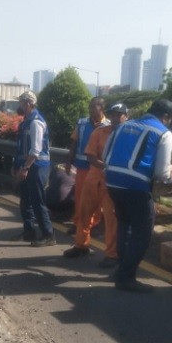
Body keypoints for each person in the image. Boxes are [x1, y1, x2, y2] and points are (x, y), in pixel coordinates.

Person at [103, 99, 172, 292]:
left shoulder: (123, 125)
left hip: (112, 182)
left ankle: (121, 270)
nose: (169, 123)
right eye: (170, 120)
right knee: (143, 231)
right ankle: (126, 278)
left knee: (124, 225)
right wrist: (171, 178)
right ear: (165, 117)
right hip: (136, 185)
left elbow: (105, 155)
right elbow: (162, 173)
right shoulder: (163, 133)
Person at [63, 103, 126, 268]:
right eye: (112, 115)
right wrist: (106, 166)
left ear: (126, 117)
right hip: (93, 179)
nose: (114, 118)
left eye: (119, 115)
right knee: (84, 214)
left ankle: (112, 254)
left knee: (111, 220)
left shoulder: (128, 136)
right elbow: (90, 156)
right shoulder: (99, 132)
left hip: (112, 184)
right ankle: (81, 245)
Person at [12, 90, 55, 247]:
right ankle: (29, 230)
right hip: (27, 166)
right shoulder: (26, 122)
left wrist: (25, 168)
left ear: (28, 104)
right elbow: (20, 148)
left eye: (22, 103)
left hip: (36, 167)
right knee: (25, 201)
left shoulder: (36, 122)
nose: (20, 105)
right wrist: (16, 166)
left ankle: (48, 234)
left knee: (37, 201)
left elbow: (35, 150)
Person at [65, 97, 109, 235]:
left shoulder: (108, 125)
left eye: (93, 107)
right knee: (79, 197)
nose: (90, 109)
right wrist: (69, 161)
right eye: (89, 107)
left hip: (98, 169)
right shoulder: (82, 123)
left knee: (97, 199)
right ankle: (78, 222)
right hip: (82, 167)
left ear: (101, 108)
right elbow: (74, 143)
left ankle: (94, 224)